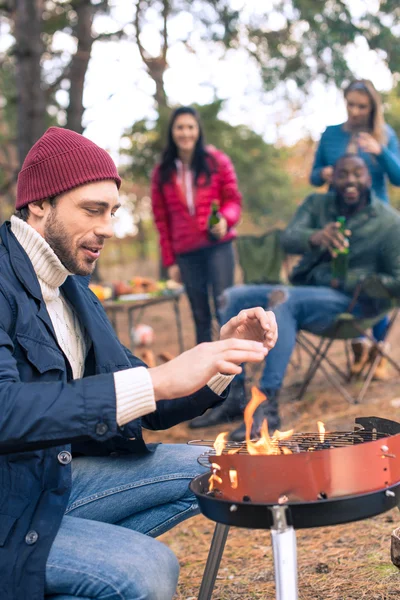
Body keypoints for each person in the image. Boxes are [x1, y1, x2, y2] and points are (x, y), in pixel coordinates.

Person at [0, 127, 278, 600]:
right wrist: (156, 379)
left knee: (211, 467)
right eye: (92, 210)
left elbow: (143, 398)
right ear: (39, 205)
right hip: (10, 501)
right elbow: (7, 411)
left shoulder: (73, 292)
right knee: (146, 569)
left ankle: (82, 563)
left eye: (113, 212)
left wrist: (220, 359)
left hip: (53, 478)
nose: (108, 227)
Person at [219, 154, 400, 441]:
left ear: (369, 178)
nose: (351, 180)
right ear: (332, 178)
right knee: (232, 297)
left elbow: (397, 280)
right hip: (308, 291)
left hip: (352, 306)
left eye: (358, 173)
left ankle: (267, 408)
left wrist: (349, 280)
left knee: (284, 299)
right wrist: (315, 237)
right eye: (343, 174)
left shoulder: (388, 222)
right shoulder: (317, 205)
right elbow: (289, 237)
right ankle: (235, 396)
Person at [310, 79, 400, 377]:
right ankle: (359, 344)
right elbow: (314, 176)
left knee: (376, 282)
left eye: (362, 106)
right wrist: (323, 173)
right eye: (351, 104)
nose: (356, 111)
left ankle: (380, 351)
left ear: (372, 107)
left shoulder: (384, 134)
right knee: (345, 278)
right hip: (340, 218)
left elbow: (397, 177)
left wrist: (381, 151)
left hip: (376, 221)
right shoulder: (331, 135)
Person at [151, 106, 242, 346]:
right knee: (201, 319)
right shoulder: (162, 172)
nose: (185, 133)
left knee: (227, 313)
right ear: (172, 132)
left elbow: (233, 200)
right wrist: (170, 262)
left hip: (219, 247)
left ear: (198, 130)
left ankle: (237, 380)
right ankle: (206, 383)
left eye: (190, 127)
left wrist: (225, 219)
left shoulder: (217, 161)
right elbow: (161, 221)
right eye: (180, 127)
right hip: (186, 254)